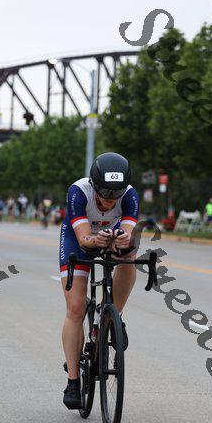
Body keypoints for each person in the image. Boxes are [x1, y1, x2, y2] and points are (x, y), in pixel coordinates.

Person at [59, 152, 139, 409]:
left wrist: (124, 240)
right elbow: (84, 239)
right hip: (79, 240)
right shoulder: (78, 192)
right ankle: (73, 381)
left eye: (116, 193)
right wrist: (96, 240)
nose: (109, 199)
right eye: (104, 192)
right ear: (94, 184)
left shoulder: (130, 196)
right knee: (75, 308)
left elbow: (129, 233)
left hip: (110, 237)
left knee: (129, 255)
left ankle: (113, 315)